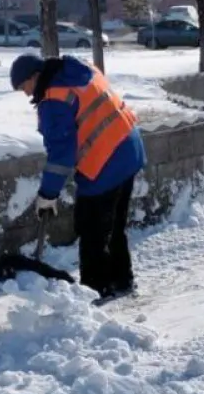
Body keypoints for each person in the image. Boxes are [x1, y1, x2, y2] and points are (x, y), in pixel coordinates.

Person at [10, 51, 145, 302]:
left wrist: (47, 194)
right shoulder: (79, 69)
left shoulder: (53, 99)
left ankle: (95, 291)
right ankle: (122, 280)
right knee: (114, 225)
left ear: (35, 76)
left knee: (91, 227)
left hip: (106, 161)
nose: (27, 94)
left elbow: (62, 154)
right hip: (129, 148)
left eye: (24, 86)